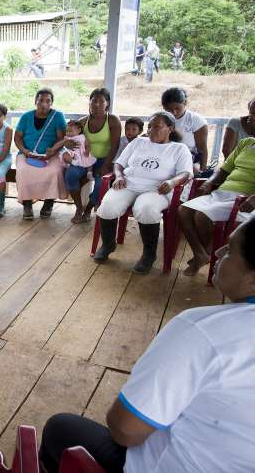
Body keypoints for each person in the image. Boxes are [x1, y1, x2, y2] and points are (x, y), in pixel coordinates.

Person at [40, 217, 255, 473]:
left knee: (60, 428)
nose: (219, 252)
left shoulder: (204, 331)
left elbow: (126, 430)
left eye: (230, 250)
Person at [93, 111, 192, 274]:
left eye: (157, 127)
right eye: (150, 126)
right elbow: (119, 163)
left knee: (146, 209)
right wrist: (118, 176)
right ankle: (108, 245)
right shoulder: (138, 142)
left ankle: (148, 254)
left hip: (157, 189)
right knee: (108, 206)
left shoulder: (179, 149)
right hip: (129, 183)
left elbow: (185, 173)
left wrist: (172, 181)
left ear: (170, 128)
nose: (151, 130)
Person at [179, 135, 255, 275]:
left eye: (254, 115)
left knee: (202, 215)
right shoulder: (247, 142)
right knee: (184, 210)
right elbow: (224, 169)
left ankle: (211, 254)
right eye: (251, 114)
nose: (250, 119)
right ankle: (201, 253)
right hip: (222, 192)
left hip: (244, 199)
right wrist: (210, 182)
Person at [63, 88, 122, 222]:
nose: (96, 104)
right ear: (89, 103)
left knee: (101, 183)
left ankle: (89, 208)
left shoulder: (113, 121)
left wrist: (107, 164)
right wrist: (67, 144)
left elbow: (115, 146)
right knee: (70, 175)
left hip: (104, 159)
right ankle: (78, 207)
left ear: (107, 103)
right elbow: (69, 137)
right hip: (84, 159)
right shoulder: (83, 122)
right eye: (93, 101)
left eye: (101, 101)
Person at [14, 88, 68, 220]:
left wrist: (52, 151)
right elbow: (17, 137)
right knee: (22, 171)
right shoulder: (26, 117)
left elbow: (61, 138)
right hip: (27, 153)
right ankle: (27, 204)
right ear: (35, 101)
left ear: (51, 103)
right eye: (41, 100)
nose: (44, 104)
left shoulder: (57, 116)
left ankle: (49, 203)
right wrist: (24, 150)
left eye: (48, 101)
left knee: (55, 171)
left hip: (51, 154)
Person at [161, 87, 209, 175]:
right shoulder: (161, 119)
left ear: (185, 103)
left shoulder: (196, 120)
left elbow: (202, 148)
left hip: (188, 157)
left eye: (177, 108)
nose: (174, 112)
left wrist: (202, 171)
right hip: (164, 155)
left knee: (193, 170)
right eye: (169, 110)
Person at [59, 120, 97, 223]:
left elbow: (87, 144)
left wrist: (88, 149)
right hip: (73, 159)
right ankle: (79, 207)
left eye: (71, 131)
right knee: (69, 174)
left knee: (88, 163)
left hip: (83, 157)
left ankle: (89, 173)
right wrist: (64, 144)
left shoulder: (82, 137)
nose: (68, 133)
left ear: (79, 130)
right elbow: (61, 146)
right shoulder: (67, 138)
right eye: (67, 131)